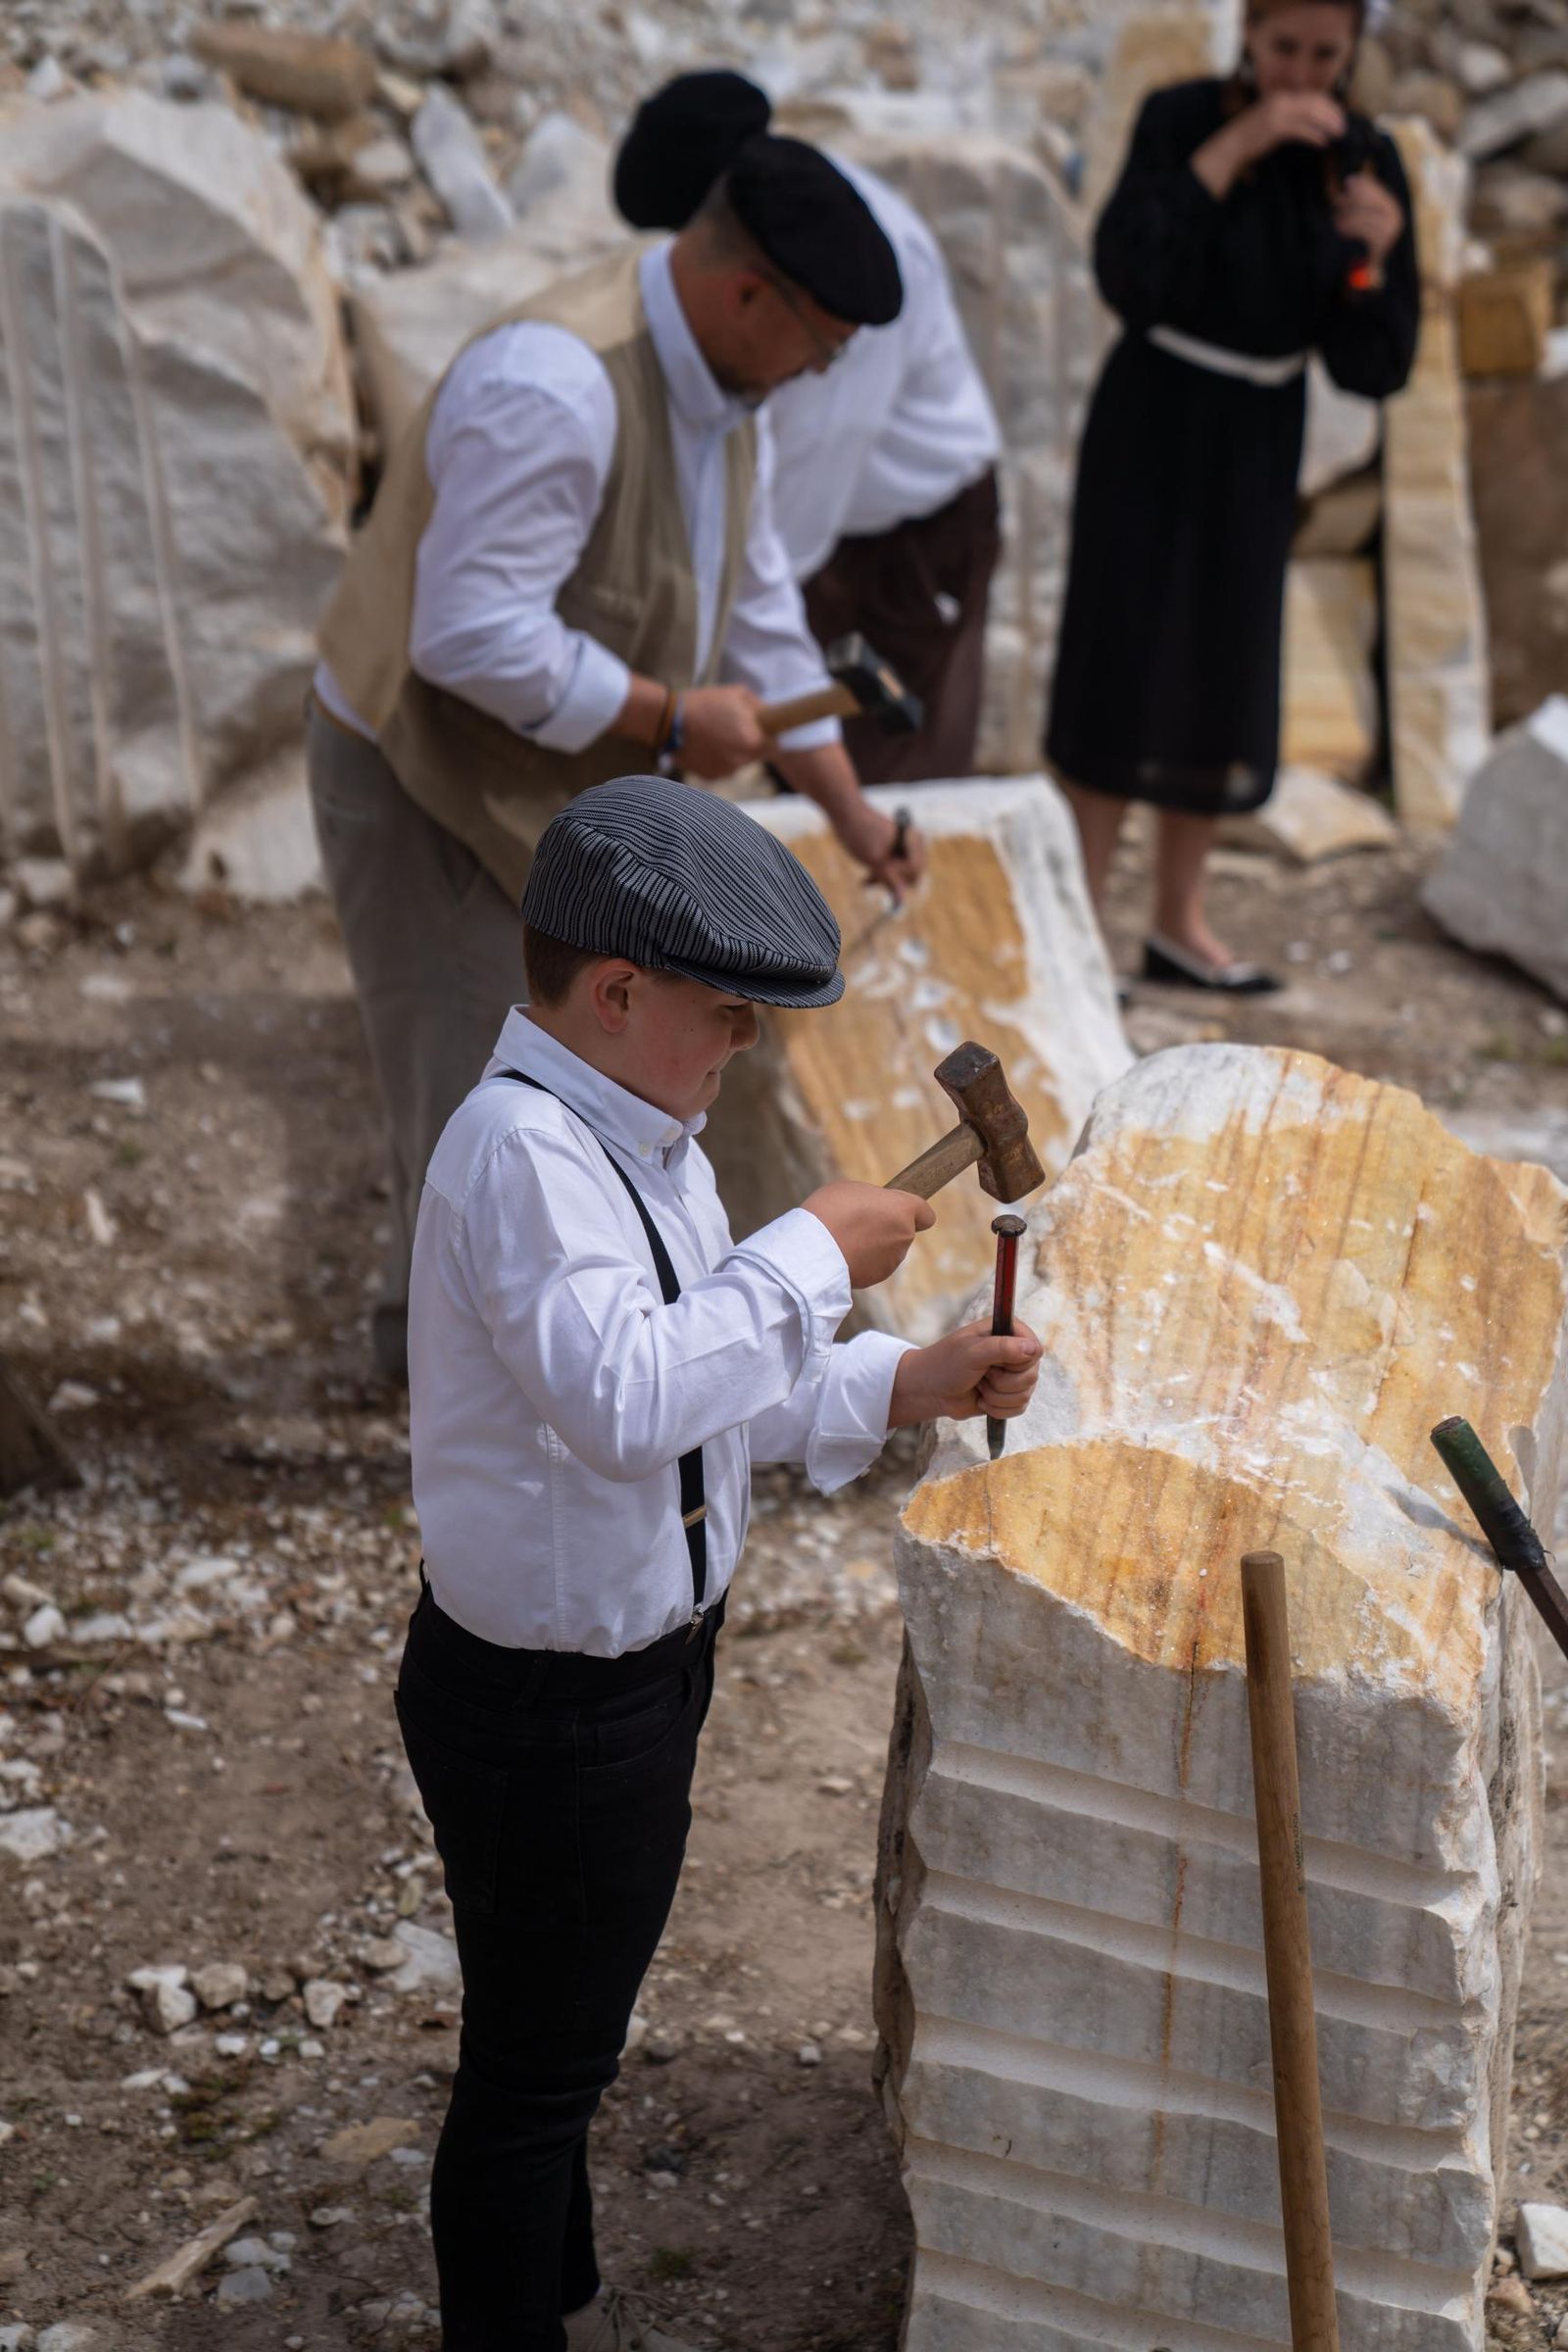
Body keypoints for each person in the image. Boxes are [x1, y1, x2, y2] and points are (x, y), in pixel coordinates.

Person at [397, 773, 1042, 2352]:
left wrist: (906, 1378)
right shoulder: (523, 1159)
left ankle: (553, 2296)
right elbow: (625, 1402)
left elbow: (708, 1389)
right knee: (535, 2072)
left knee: (562, 2042)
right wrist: (812, 1252)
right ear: (616, 992)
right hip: (547, 1706)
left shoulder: (647, 1136)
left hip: (639, 1675)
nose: (746, 1041)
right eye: (728, 1011)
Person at [309, 136, 927, 1383]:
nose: (820, 373)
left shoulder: (726, 395)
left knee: (587, 1081)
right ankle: (452, 1390)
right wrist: (663, 714)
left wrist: (853, 817)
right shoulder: (557, 385)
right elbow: (465, 630)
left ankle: (598, 1356)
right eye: (824, 342)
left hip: (564, 793)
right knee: (468, 1095)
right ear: (752, 294)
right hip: (429, 776)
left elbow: (758, 618)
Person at [1045, 0, 1419, 992]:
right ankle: (1082, 926)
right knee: (1118, 662)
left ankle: (1178, 922)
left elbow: (1374, 365)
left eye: (1323, 55)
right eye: (1282, 47)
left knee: (1222, 666)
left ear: (1352, 54)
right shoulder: (1177, 119)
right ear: (1248, 33)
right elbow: (1128, 269)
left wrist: (1373, 259)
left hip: (1257, 438)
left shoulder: (1364, 158)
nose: (1301, 73)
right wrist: (1239, 142)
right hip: (1153, 418)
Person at [614, 73, 1004, 784]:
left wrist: (680, 694)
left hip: (911, 539)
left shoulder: (844, 279)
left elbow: (786, 517)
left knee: (880, 781)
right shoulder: (764, 251)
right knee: (802, 764)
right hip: (820, 520)